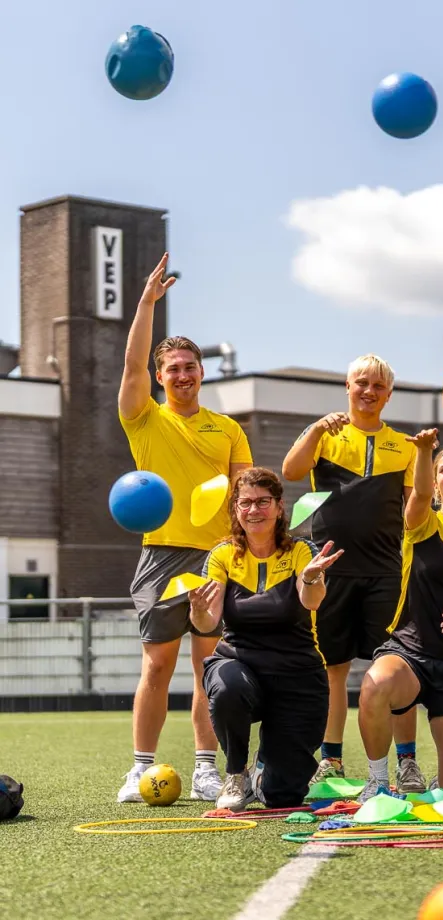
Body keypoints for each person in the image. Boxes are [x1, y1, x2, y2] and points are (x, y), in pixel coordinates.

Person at [117, 253, 252, 804]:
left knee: (208, 666)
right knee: (157, 664)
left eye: (190, 366)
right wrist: (148, 302)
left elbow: (246, 495)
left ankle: (205, 768)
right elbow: (128, 369)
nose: (182, 375)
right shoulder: (144, 417)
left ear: (202, 372)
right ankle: (139, 767)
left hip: (217, 557)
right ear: (159, 377)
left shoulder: (228, 430)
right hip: (161, 554)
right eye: (172, 368)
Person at [281, 355, 425, 793]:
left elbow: (416, 508)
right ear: (347, 386)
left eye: (378, 386)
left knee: (396, 668)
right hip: (331, 572)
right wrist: (316, 429)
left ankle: (407, 763)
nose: (369, 391)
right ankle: (332, 761)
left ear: (389, 394)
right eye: (362, 383)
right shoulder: (325, 435)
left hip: (386, 572)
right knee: (333, 670)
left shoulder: (402, 445)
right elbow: (289, 471)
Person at [189, 469, 340, 810]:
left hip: (297, 673)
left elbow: (311, 601)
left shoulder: (302, 550)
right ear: (236, 509)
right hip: (239, 663)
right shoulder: (222, 555)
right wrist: (197, 611)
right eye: (246, 503)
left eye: (262, 502)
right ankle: (236, 773)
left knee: (282, 795)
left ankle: (263, 772)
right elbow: (208, 620)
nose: (254, 510)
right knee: (227, 688)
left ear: (278, 506)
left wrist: (313, 577)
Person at [358, 434, 443, 800]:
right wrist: (423, 452)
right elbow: (417, 494)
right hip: (410, 655)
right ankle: (377, 782)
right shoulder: (425, 523)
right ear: (437, 483)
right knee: (375, 684)